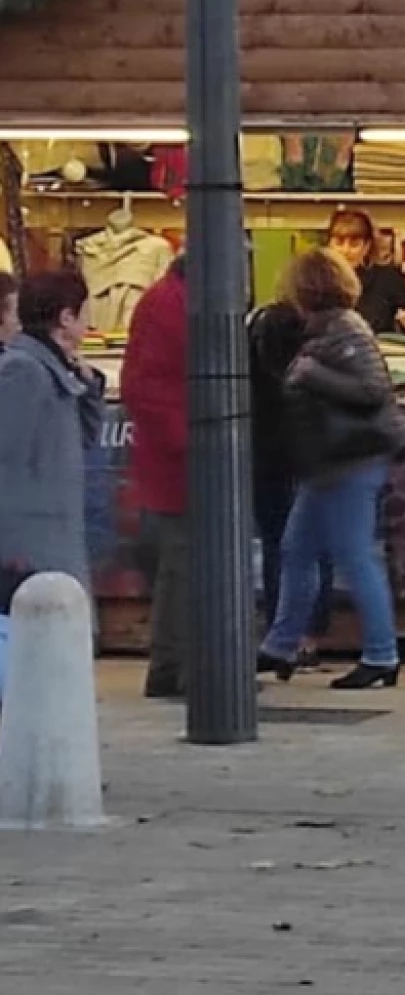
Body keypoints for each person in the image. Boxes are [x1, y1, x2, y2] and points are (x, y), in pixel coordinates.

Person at [258, 250, 405, 691]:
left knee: (354, 556)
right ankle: (281, 644)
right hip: (329, 462)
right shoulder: (325, 327)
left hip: (352, 459)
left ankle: (382, 656)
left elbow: (372, 389)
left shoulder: (345, 328)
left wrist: (312, 375)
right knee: (298, 549)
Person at [0, 272, 107, 704]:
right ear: (65, 318)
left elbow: (84, 436)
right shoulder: (22, 371)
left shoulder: (51, 370)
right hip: (26, 546)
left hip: (48, 539)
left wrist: (88, 386)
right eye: (83, 317)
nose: (86, 328)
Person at [249, 288, 335, 664]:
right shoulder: (321, 350)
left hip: (266, 447)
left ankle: (280, 634)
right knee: (316, 545)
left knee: (276, 542)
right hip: (310, 450)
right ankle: (308, 634)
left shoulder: (256, 342)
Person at [121, 256, 192, 700]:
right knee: (184, 565)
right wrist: (189, 440)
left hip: (174, 451)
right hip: (179, 456)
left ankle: (174, 663)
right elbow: (149, 386)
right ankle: (176, 666)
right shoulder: (171, 305)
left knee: (180, 565)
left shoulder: (168, 299)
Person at [325, 209, 405, 337]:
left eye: (354, 244)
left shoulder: (388, 279)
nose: (345, 250)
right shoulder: (315, 280)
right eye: (339, 243)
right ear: (329, 245)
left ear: (367, 246)